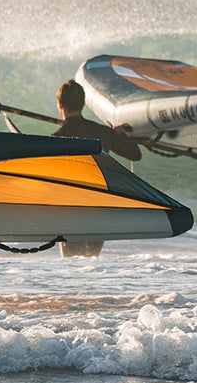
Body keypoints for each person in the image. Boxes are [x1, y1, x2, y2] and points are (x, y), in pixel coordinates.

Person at [52, 79, 142, 258]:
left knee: (72, 263)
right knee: (92, 261)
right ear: (83, 104)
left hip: (72, 205)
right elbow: (135, 154)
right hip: (99, 203)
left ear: (60, 104)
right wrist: (118, 136)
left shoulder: (56, 138)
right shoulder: (102, 133)